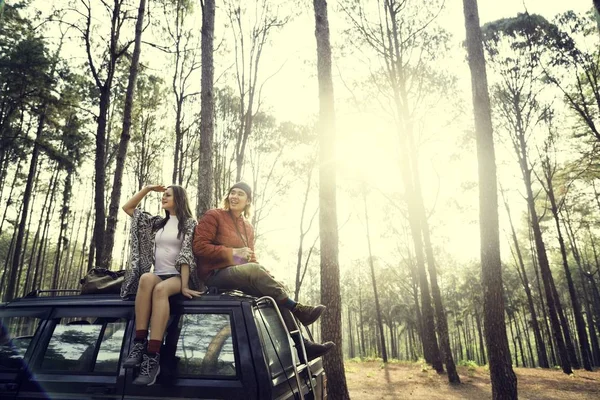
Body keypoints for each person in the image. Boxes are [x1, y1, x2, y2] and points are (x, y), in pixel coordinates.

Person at [192, 182, 335, 361]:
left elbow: (251, 260)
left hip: (240, 275)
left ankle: (302, 346)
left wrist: (269, 277)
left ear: (248, 200)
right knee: (260, 276)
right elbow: (199, 247)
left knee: (276, 294)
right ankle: (297, 308)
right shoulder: (214, 216)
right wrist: (232, 252)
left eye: (240, 194)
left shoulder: (247, 227)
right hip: (214, 275)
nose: (234, 196)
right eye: (232, 193)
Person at [120, 185, 202, 386]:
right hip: (159, 274)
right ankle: (139, 343)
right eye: (163, 195)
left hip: (179, 275)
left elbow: (186, 255)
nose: (163, 198)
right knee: (146, 279)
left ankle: (152, 355)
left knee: (160, 290)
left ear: (179, 199)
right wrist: (147, 189)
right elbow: (128, 208)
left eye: (168, 195)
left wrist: (183, 286)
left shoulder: (189, 223)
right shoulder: (157, 223)